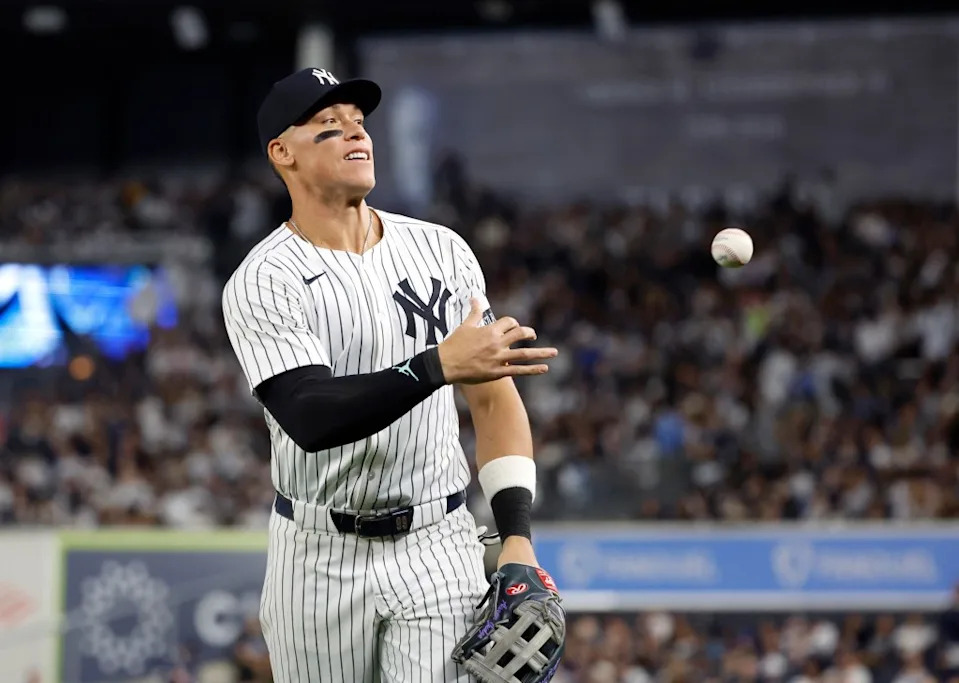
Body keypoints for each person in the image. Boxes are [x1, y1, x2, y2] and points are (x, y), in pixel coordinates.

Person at [222, 66, 559, 682]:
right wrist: (436, 366)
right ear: (282, 153)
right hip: (317, 556)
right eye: (328, 127)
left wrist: (516, 533)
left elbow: (491, 398)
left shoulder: (442, 249)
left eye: (359, 123)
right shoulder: (264, 277)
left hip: (436, 540)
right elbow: (309, 414)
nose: (356, 134)